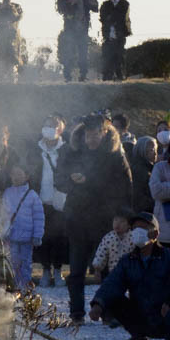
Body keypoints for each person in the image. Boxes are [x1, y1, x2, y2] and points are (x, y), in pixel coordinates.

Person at [56, 115, 132, 324]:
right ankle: (76, 313)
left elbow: (126, 185)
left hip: (105, 218)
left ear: (105, 132)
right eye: (89, 134)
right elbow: (58, 179)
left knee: (107, 269)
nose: (92, 138)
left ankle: (107, 311)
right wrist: (72, 181)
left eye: (96, 134)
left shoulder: (115, 155)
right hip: (77, 217)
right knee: (77, 269)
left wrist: (123, 215)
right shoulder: (71, 151)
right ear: (83, 133)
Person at [90, 213, 170, 340]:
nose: (137, 232)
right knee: (113, 298)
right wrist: (98, 304)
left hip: (166, 316)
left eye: (142, 228)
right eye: (134, 228)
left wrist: (169, 303)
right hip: (141, 317)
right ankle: (138, 337)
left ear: (155, 234)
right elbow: (112, 283)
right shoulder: (127, 261)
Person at [27, 114, 68, 286]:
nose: (49, 128)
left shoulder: (66, 150)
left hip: (59, 200)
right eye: (47, 124)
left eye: (53, 125)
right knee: (42, 237)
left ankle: (58, 271)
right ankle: (45, 270)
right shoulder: (36, 150)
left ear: (60, 130)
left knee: (59, 237)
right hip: (40, 198)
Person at [2, 164, 45, 289]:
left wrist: (37, 235)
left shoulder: (32, 195)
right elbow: (3, 214)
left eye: (19, 174)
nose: (16, 177)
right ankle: (15, 286)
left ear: (27, 177)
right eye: (14, 174)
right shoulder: (7, 193)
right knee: (12, 263)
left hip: (27, 238)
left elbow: (39, 218)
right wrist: (2, 231)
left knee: (26, 264)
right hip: (11, 236)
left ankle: (25, 287)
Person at [55, 0, 98, 82]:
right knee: (69, 52)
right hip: (70, 27)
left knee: (83, 53)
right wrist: (71, 2)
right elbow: (60, 7)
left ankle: (83, 75)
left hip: (83, 27)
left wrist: (86, 0)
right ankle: (67, 76)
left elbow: (95, 7)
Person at [98, 0, 131, 81]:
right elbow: (103, 17)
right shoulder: (105, 4)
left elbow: (121, 17)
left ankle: (120, 76)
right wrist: (111, 17)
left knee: (119, 56)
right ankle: (107, 77)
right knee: (107, 56)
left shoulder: (124, 3)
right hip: (108, 35)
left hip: (120, 35)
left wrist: (110, 17)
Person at [0, 0, 24, 82]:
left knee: (13, 61)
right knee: (1, 60)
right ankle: (2, 83)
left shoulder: (17, 6)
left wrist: (11, 8)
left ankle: (12, 83)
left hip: (13, 37)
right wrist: (3, 7)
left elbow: (17, 17)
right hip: (1, 36)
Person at [89, 213, 134, 283]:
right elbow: (101, 253)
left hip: (131, 272)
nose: (117, 224)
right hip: (114, 272)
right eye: (115, 220)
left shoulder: (133, 237)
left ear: (129, 225)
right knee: (114, 290)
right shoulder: (109, 237)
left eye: (122, 221)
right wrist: (97, 270)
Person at [130, 135, 158, 214]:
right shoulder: (139, 170)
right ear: (142, 151)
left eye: (156, 149)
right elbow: (139, 198)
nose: (155, 153)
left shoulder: (150, 168)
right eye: (151, 150)